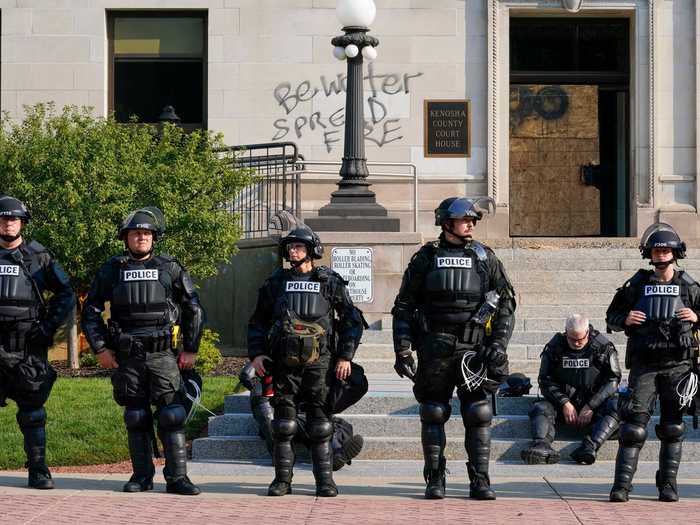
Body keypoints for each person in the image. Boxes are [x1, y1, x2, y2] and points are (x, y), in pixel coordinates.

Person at [391, 197, 516, 500]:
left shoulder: (485, 258)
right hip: (435, 346)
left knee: (479, 412)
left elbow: (506, 305)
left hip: (474, 347)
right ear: (447, 223)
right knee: (433, 412)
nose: (471, 224)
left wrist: (498, 343)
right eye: (465, 220)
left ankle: (480, 480)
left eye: (473, 220)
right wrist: (403, 349)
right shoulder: (425, 258)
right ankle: (435, 479)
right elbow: (404, 306)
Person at [82, 207, 204, 495]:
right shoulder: (112, 269)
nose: (141, 237)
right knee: (136, 416)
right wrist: (100, 348)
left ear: (154, 237)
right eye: (136, 233)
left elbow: (193, 309)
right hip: (128, 356)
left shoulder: (170, 267)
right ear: (125, 238)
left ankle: (178, 478)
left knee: (172, 414)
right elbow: (91, 311)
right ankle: (141, 476)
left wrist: (192, 348)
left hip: (163, 355)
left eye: (146, 233)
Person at [247, 225, 365, 497]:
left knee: (320, 425)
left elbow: (352, 321)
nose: (293, 250)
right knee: (283, 424)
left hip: (319, 364)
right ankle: (282, 481)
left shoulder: (329, 281)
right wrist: (256, 354)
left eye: (298, 246)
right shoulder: (276, 282)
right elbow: (257, 322)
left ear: (312, 250)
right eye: (290, 247)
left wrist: (345, 356)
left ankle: (325, 482)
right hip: (283, 364)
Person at [606, 223, 700, 503]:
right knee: (633, 427)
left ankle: (668, 484)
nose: (661, 255)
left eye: (665, 250)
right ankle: (622, 486)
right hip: (644, 364)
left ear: (675, 253)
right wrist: (625, 319)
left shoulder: (690, 287)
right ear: (649, 254)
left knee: (673, 427)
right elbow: (611, 316)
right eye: (656, 251)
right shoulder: (636, 285)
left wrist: (696, 317)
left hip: (679, 365)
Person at [0, 195, 75, 489]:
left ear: (22, 223)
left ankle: (38, 470)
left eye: (14, 219)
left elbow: (66, 294)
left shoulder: (38, 257)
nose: (8, 223)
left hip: (26, 347)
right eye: (4, 218)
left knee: (32, 412)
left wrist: (46, 329)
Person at [520, 314, 621, 465]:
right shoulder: (555, 347)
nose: (577, 343)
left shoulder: (603, 347)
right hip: (563, 405)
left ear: (588, 331)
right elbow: (545, 380)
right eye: (572, 338)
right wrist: (564, 403)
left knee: (617, 406)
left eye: (580, 339)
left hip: (593, 405)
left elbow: (613, 380)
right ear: (566, 332)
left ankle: (590, 446)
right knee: (540, 408)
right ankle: (541, 445)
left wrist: (591, 405)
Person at [238, 362, 365, 471]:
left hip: (300, 407)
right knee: (274, 406)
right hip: (279, 415)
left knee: (321, 421)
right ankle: (332, 451)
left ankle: (334, 451)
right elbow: (247, 375)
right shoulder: (270, 366)